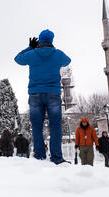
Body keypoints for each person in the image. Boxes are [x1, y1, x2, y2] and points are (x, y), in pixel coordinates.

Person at [14, 29, 71, 164]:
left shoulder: (32, 54)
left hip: (35, 94)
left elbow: (17, 59)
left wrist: (30, 47)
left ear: (39, 40)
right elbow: (67, 61)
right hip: (53, 94)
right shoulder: (58, 54)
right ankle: (56, 157)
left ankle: (39, 154)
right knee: (55, 126)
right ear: (51, 40)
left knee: (37, 125)